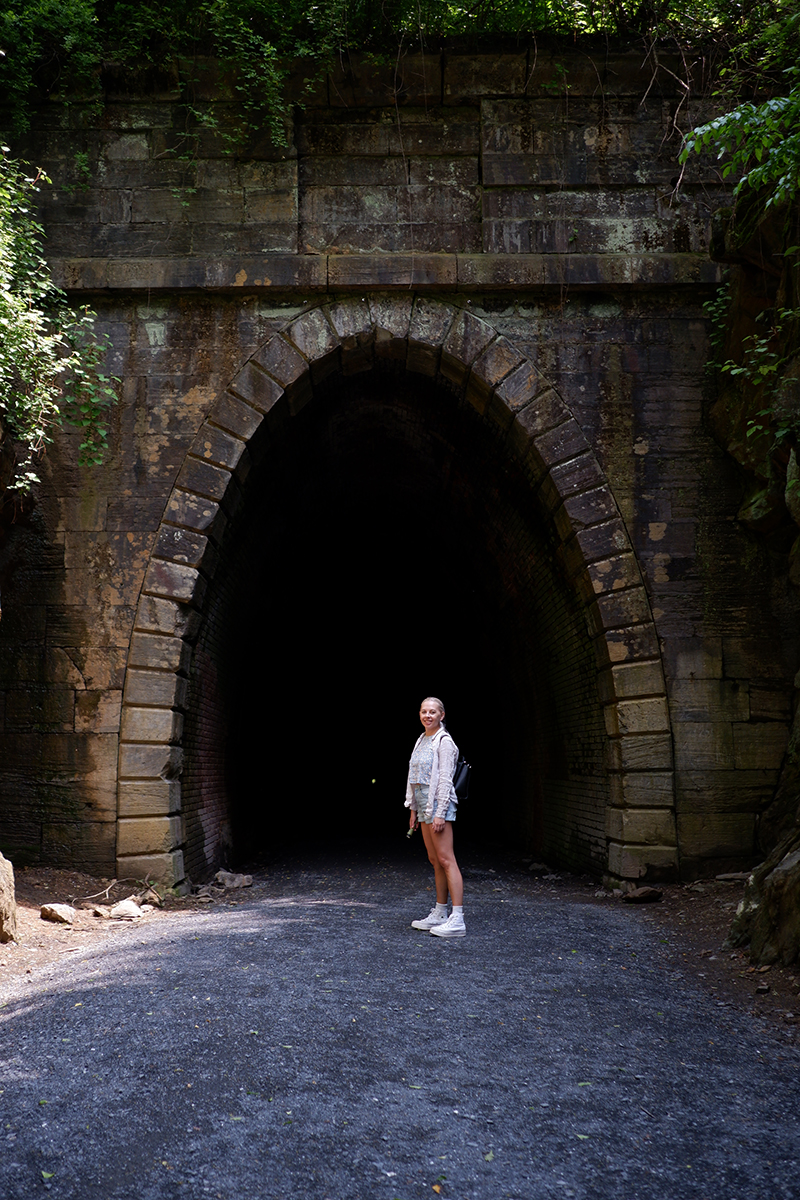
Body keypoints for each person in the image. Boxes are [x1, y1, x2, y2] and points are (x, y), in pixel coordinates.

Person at [405, 696, 465, 937]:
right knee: (434, 858)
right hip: (422, 803)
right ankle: (440, 912)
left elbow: (444, 779)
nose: (427, 715)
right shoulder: (421, 739)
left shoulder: (444, 741)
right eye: (423, 711)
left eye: (432, 712)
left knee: (446, 858)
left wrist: (440, 813)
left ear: (442, 715)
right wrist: (413, 809)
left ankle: (457, 918)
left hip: (438, 803)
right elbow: (413, 775)